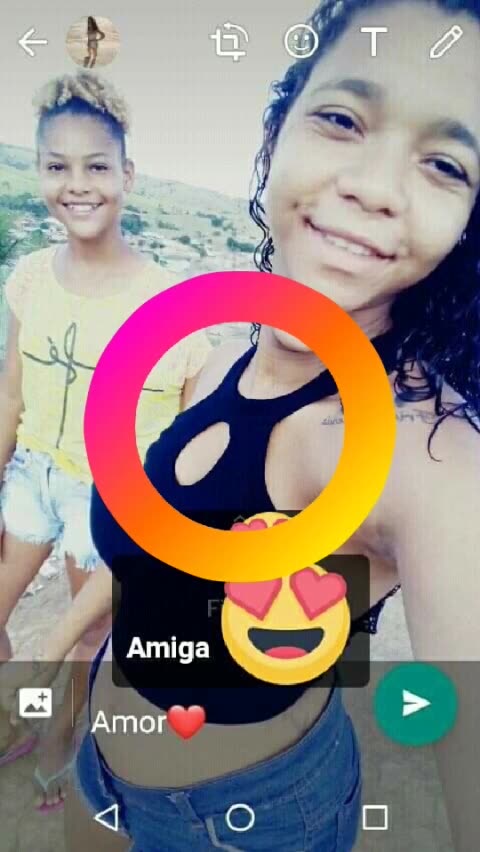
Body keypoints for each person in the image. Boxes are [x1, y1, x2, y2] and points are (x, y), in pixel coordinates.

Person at [63, 0, 479, 849]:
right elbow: (155, 550)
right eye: (341, 118)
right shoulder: (222, 354)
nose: (374, 187)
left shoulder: (429, 456)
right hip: (102, 766)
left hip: (246, 820)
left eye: (445, 164)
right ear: (275, 132)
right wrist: (69, 649)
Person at [0, 71, 211, 812]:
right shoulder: (30, 277)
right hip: (32, 476)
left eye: (96, 166)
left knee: (86, 644)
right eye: (57, 166)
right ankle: (15, 724)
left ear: (128, 175)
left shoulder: (170, 307)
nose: (77, 184)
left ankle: (59, 751)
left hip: (110, 498)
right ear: (39, 173)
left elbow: (182, 460)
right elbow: (12, 394)